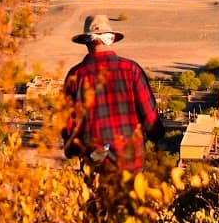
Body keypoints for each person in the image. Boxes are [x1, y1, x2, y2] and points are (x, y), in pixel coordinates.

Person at [61, 14, 165, 179]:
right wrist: (156, 137)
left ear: (86, 43)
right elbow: (150, 119)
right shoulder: (131, 70)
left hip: (94, 164)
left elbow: (68, 126)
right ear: (111, 40)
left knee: (97, 203)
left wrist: (72, 151)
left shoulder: (75, 76)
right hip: (131, 162)